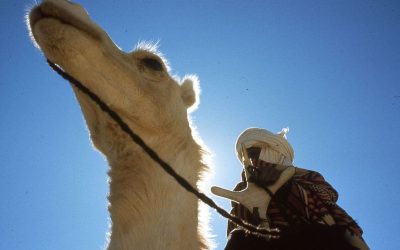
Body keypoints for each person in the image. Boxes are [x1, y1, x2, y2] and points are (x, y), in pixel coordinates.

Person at [211, 127, 369, 250]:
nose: (253, 161)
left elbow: (335, 213)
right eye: (248, 156)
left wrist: (285, 187)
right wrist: (259, 216)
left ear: (274, 151)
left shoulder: (307, 180)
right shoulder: (242, 191)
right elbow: (238, 231)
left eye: (255, 152)